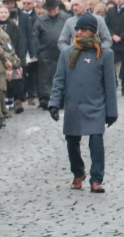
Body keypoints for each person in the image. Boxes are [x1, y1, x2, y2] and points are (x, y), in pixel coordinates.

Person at [49, 13, 118, 193]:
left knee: (96, 142)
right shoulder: (67, 53)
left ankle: (96, 179)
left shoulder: (104, 54)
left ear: (93, 32)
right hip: (73, 106)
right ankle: (78, 173)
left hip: (95, 105)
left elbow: (110, 85)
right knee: (72, 143)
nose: (79, 32)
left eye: (84, 29)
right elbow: (59, 81)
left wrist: (112, 111)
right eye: (78, 29)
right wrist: (54, 103)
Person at [34, 0, 69, 108]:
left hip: (62, 51)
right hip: (45, 51)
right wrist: (37, 50)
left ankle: (62, 98)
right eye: (49, 9)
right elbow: (35, 35)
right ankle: (46, 98)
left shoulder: (66, 18)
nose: (51, 11)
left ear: (57, 8)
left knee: (61, 75)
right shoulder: (41, 20)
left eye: (53, 9)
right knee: (45, 76)